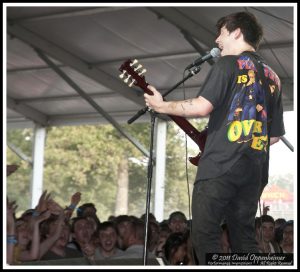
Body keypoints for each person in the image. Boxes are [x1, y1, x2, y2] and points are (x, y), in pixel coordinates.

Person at [144, 11, 285, 265]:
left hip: (220, 167)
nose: (217, 40)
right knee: (243, 237)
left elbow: (201, 106)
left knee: (204, 233)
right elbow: (273, 137)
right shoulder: (273, 77)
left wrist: (161, 106)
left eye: (221, 33)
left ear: (236, 32)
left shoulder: (228, 64)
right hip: (254, 171)